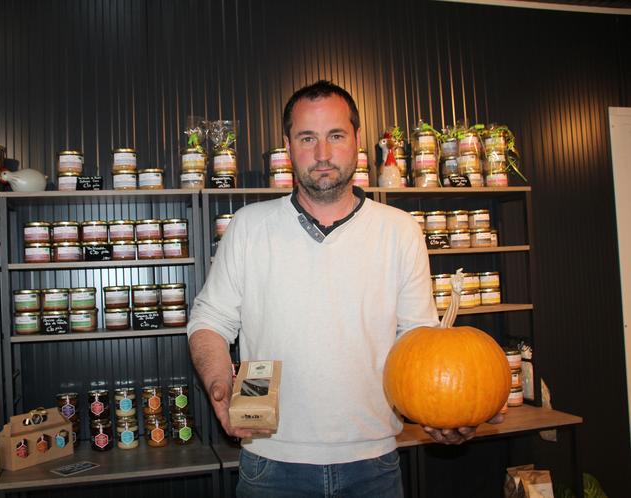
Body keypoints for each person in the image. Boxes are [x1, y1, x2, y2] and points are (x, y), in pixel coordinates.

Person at [187, 80, 492, 498]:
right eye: (307, 138)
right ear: (288, 145)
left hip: (374, 465)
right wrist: (220, 384)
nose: (323, 154)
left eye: (335, 136)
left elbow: (418, 340)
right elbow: (209, 321)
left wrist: (441, 408)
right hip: (270, 465)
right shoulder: (247, 227)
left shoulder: (399, 230)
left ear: (358, 140)